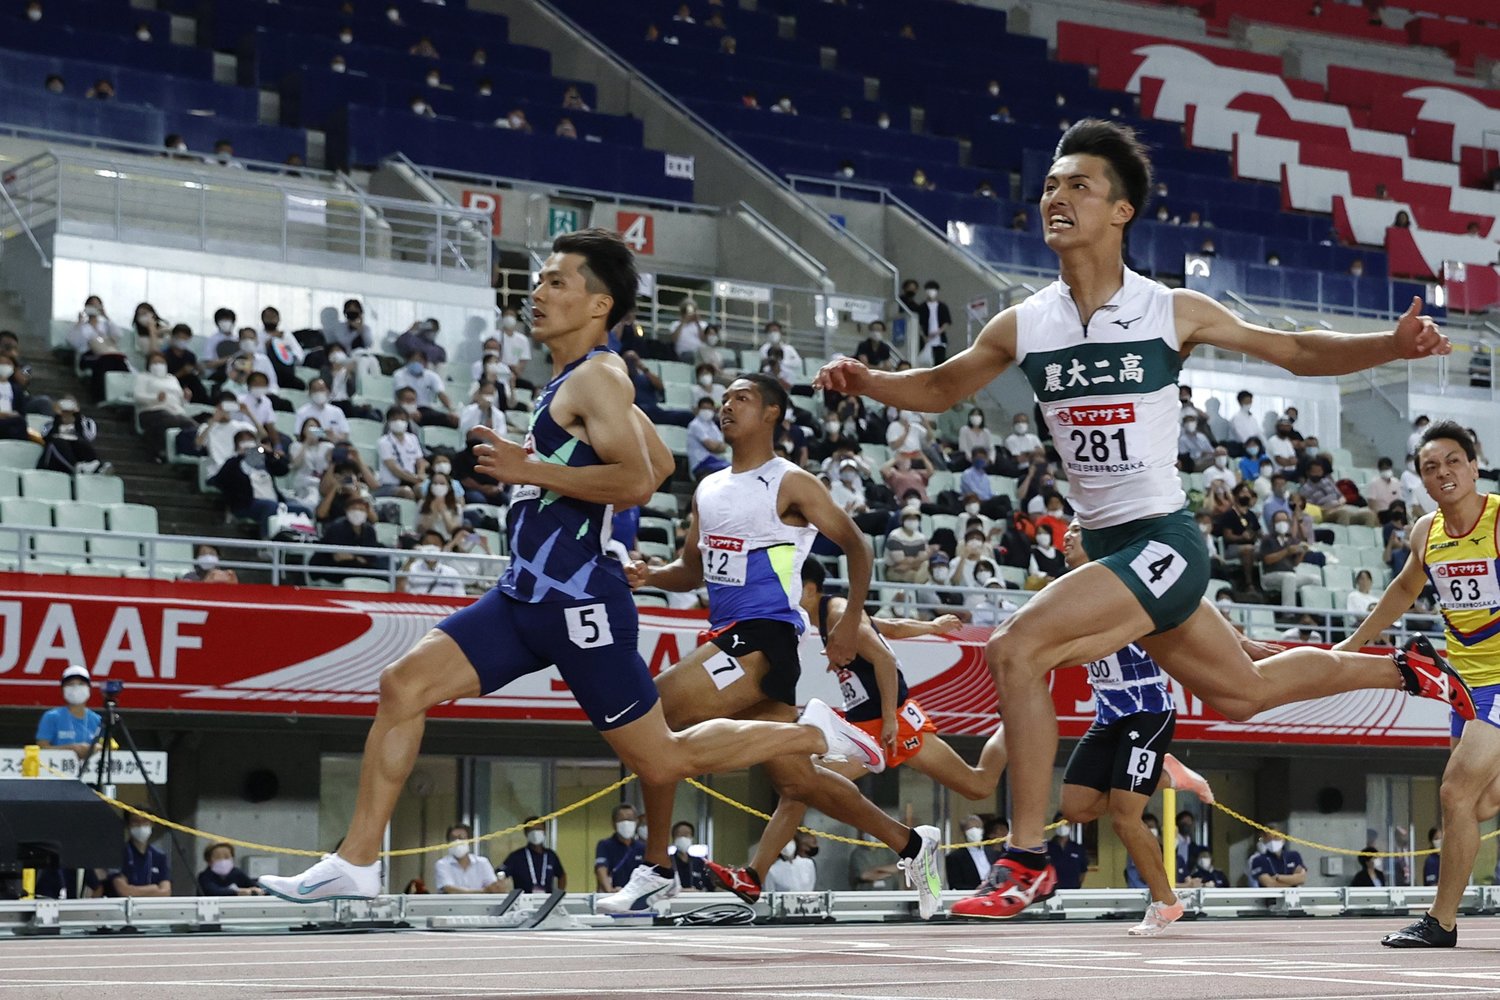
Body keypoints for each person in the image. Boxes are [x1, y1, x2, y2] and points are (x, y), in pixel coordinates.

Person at [814, 118, 1470, 919]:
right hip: (1110, 548)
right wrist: (868, 380)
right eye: (1049, 185)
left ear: (1121, 211)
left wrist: (1390, 345)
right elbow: (943, 386)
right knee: (1242, 694)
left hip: (1165, 541)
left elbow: (1295, 350)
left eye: (1078, 185)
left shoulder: (1169, 309)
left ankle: (1026, 859)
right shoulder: (1024, 323)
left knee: (1016, 648)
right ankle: (1407, 668)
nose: (1056, 197)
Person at [260, 231, 882, 909]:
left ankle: (814, 731)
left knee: (661, 758)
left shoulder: (598, 376)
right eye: (539, 280)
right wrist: (542, 468)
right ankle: (356, 862)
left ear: (598, 304)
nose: (538, 292)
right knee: (402, 685)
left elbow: (636, 481)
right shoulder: (582, 379)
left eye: (557, 281)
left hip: (580, 602)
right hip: (523, 596)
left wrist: (527, 468)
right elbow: (661, 463)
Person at [626, 372, 945, 918]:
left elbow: (858, 546)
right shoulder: (708, 487)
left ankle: (656, 869)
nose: (728, 406)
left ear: (772, 413)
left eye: (742, 398)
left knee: (653, 712)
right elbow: (691, 570)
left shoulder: (790, 482)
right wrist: (651, 575)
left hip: (763, 636)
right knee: (798, 780)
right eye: (724, 399)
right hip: (728, 633)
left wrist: (850, 622)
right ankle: (912, 844)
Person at [963, 518, 1213, 934]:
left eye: (1078, 529)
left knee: (1125, 818)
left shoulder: (1128, 580)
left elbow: (1192, 611)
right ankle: (1165, 775)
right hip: (1108, 714)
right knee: (1076, 808)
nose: (1067, 536)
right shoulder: (1067, 592)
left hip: (1148, 711)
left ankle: (1166, 903)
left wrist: (1239, 645)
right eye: (1068, 530)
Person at [705, 560, 1006, 904]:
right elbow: (888, 627)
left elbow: (884, 659)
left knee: (978, 785)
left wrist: (890, 719)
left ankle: (1012, 724)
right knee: (800, 787)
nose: (783, 595)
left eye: (789, 587)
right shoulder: (828, 617)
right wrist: (932, 626)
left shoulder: (837, 614)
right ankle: (753, 876)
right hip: (863, 727)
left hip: (894, 723)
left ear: (809, 589)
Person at [1337, 421, 1500, 948]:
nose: (1443, 472)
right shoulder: (1426, 533)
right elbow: (1404, 589)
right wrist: (1353, 643)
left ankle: (1440, 922)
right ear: (1422, 481)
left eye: (1453, 461)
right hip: (1464, 686)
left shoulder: (1499, 520)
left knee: (1454, 792)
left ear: (1474, 466)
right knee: (1475, 805)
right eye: (1431, 467)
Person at [35, 665, 100, 760]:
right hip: (57, 766)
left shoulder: (97, 720)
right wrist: (71, 749)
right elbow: (41, 748)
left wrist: (97, 748)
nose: (76, 688)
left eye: (81, 684)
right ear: (63, 689)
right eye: (70, 684)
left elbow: (109, 746)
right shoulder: (51, 717)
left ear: (89, 688)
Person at [434, 824, 506, 894]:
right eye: (453, 839)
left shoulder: (482, 862)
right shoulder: (442, 864)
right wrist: (482, 891)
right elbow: (449, 889)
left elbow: (492, 887)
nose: (457, 842)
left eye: (461, 838)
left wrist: (498, 887)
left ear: (470, 841)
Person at [501, 818, 566, 892]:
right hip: (523, 898)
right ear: (526, 833)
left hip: (547, 898)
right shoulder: (516, 856)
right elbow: (501, 874)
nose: (535, 833)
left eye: (538, 829)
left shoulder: (551, 855)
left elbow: (562, 875)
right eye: (531, 830)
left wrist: (559, 894)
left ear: (545, 831)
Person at [109, 820, 170, 897]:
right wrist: (152, 889)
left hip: (151, 904)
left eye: (145, 821)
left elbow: (166, 892)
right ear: (128, 825)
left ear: (152, 824)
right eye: (135, 821)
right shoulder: (118, 854)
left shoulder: (159, 856)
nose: (141, 826)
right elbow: (124, 891)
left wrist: (136, 891)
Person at [595, 803, 646, 892]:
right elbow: (601, 869)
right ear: (614, 823)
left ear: (636, 822)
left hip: (636, 895)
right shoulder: (605, 845)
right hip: (613, 894)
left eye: (630, 819)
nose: (626, 823)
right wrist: (609, 890)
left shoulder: (642, 847)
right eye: (621, 820)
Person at [198, 843, 265, 896]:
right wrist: (238, 892)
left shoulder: (237, 873)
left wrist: (256, 890)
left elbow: (254, 885)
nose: (223, 860)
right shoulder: (204, 877)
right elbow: (213, 891)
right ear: (209, 861)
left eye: (227, 857)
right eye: (218, 857)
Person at [686, 396, 729, 478]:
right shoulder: (695, 425)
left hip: (714, 461)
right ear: (698, 409)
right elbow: (711, 446)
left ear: (713, 410)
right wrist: (717, 446)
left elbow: (723, 447)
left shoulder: (713, 426)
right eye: (704, 408)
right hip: (700, 463)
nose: (706, 411)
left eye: (709, 409)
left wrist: (716, 446)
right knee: (729, 470)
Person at [669, 820, 710, 891]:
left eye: (686, 835)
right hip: (674, 896)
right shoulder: (668, 861)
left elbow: (709, 886)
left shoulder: (699, 862)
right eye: (679, 835)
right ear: (673, 838)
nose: (683, 838)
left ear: (691, 838)